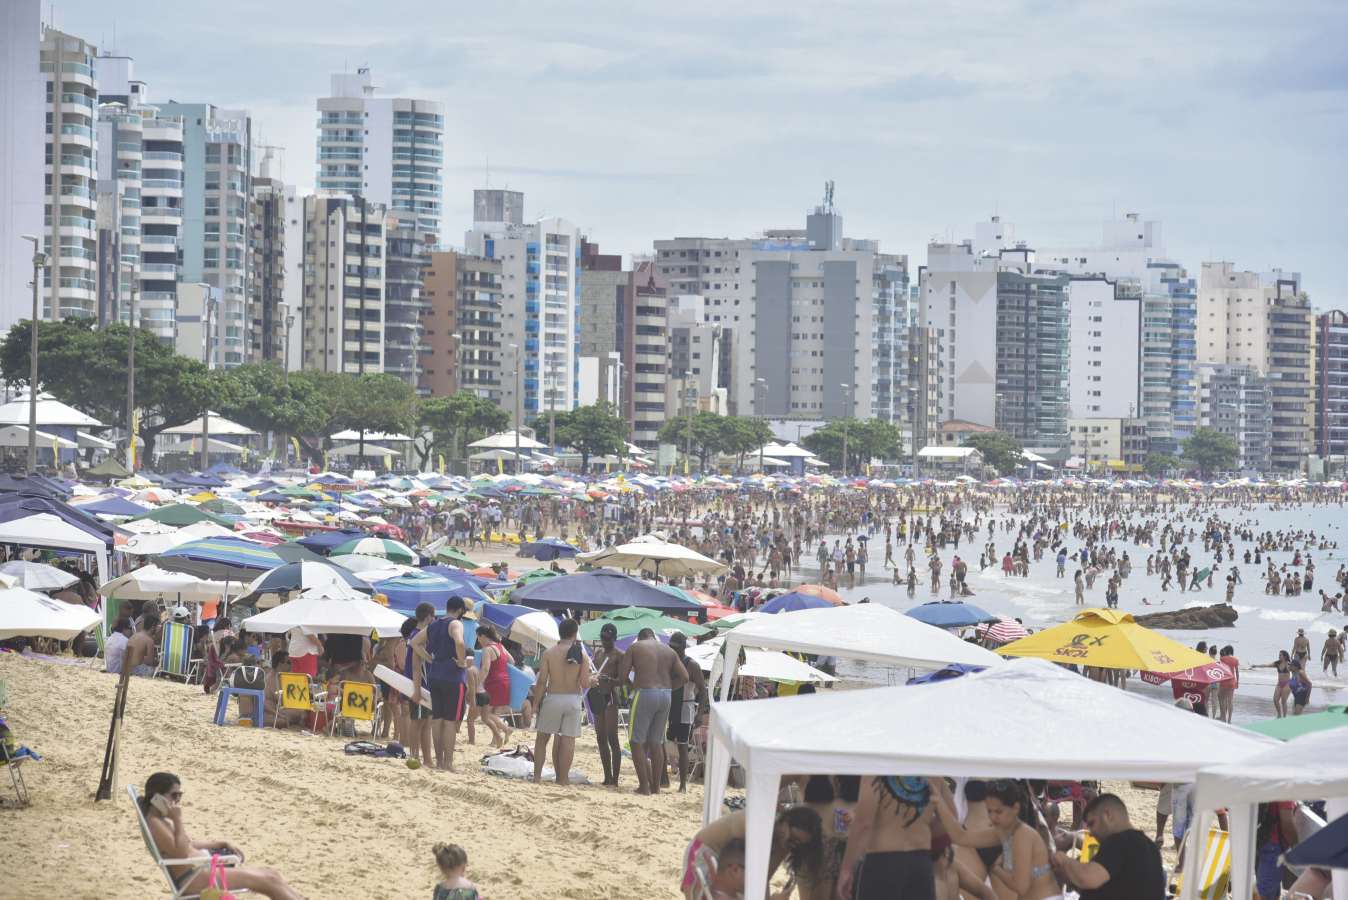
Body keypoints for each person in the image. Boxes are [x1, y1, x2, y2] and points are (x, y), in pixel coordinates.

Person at [140, 772, 304, 899]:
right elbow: (182, 852)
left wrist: (220, 843)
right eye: (173, 796)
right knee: (269, 881)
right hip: (194, 879)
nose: (177, 801)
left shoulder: (160, 820)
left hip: (200, 870)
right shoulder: (155, 823)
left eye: (179, 796)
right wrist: (178, 819)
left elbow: (187, 843)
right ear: (156, 797)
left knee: (271, 874)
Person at [931, 778, 1060, 900]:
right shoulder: (998, 833)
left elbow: (1021, 886)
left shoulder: (1023, 835)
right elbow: (960, 836)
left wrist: (998, 869)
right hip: (976, 840)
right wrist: (937, 800)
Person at [682, 808, 823, 900]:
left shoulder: (784, 842)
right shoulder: (760, 823)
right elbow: (753, 875)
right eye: (792, 836)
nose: (791, 843)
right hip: (705, 852)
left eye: (798, 843)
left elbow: (763, 877)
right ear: (785, 821)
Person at [837, 776, 939, 900]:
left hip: (883, 863)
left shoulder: (877, 769)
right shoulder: (932, 773)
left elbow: (863, 823)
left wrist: (846, 868)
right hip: (921, 862)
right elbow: (951, 818)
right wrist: (922, 829)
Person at [1050, 793, 1164, 899]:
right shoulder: (1149, 847)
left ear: (1107, 815)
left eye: (1092, 823)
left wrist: (1063, 859)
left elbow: (1089, 877)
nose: (1090, 832)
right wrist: (1071, 879)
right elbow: (1110, 890)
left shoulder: (1121, 841)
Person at [619, 627, 688, 795]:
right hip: (666, 695)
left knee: (636, 741)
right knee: (656, 742)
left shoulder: (635, 647)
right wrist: (671, 687)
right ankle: (656, 787)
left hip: (644, 693)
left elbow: (622, 676)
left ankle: (644, 786)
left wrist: (633, 686)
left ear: (640, 637)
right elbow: (685, 677)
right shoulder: (669, 651)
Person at [410, 597, 470, 772]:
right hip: (453, 676)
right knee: (450, 722)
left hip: (435, 675)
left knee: (437, 720)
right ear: (459, 610)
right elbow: (459, 642)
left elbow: (414, 643)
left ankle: (439, 761)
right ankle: (448, 763)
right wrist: (462, 662)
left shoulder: (434, 625)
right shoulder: (455, 624)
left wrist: (430, 659)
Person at [531, 617, 590, 785]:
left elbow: (542, 681)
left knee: (542, 738)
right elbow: (585, 683)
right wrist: (593, 680)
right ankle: (562, 779)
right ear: (574, 633)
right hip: (573, 699)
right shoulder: (582, 654)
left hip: (554, 697)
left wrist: (535, 704)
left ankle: (537, 778)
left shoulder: (549, 653)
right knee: (568, 740)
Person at [664, 631, 706, 793]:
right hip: (668, 706)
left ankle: (682, 784)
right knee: (664, 744)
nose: (673, 650)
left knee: (682, 747)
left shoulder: (692, 665)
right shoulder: (669, 662)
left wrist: (700, 714)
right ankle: (664, 778)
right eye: (671, 647)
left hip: (685, 708)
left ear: (683, 647)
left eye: (676, 647)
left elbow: (702, 691)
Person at [589, 622, 624, 786]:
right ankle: (607, 776)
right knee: (600, 737)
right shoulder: (598, 652)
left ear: (614, 639)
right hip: (598, 695)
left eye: (608, 639)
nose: (605, 641)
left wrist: (609, 679)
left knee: (612, 737)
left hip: (610, 697)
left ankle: (615, 779)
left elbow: (623, 681)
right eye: (603, 638)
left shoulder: (619, 655)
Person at [473, 624, 511, 748]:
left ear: (483, 636)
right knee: (494, 712)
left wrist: (478, 684)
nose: (478, 640)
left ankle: (506, 729)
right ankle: (495, 740)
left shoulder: (487, 649)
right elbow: (512, 661)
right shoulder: (500, 646)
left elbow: (485, 669)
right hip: (504, 681)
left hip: (493, 683)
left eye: (478, 637)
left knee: (486, 714)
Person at [1254, 801, 1299, 900]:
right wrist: (1297, 847)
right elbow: (1287, 824)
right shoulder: (1286, 788)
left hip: (1262, 840)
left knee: (1271, 892)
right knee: (1264, 894)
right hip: (1274, 846)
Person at [121, 608, 162, 680]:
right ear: (153, 627)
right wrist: (157, 662)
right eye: (158, 627)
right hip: (137, 671)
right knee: (156, 671)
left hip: (125, 669)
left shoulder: (134, 635)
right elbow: (149, 662)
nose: (158, 629)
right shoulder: (149, 640)